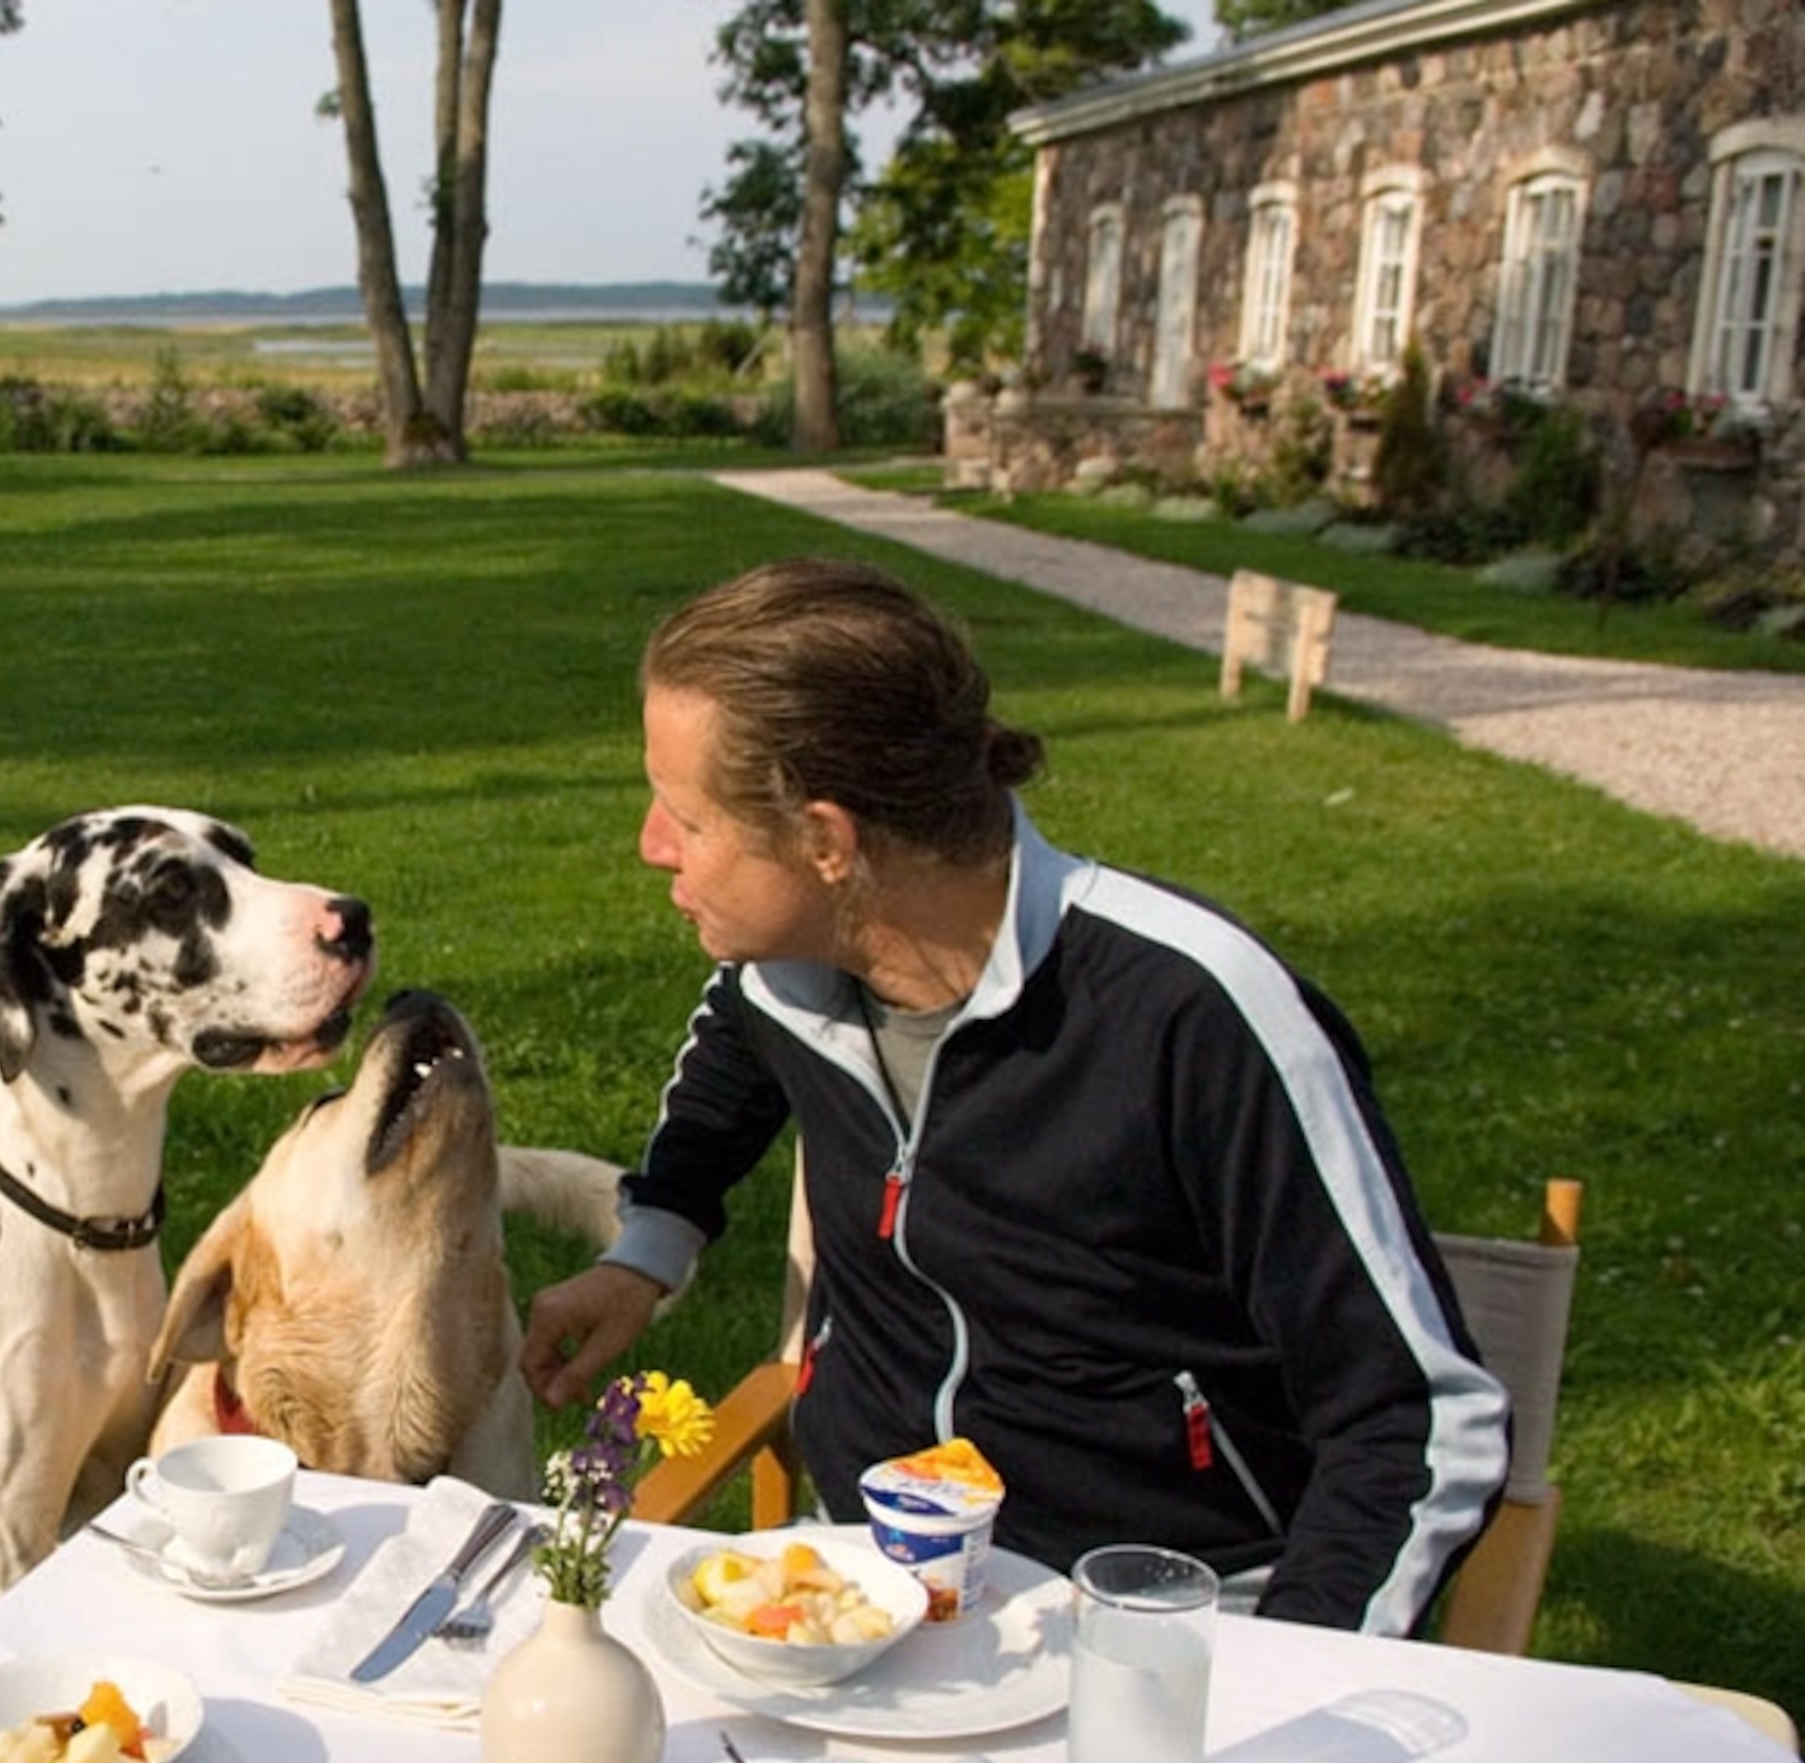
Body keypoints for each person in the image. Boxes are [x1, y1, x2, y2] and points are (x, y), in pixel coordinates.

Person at [519, 558, 1508, 1635]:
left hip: (1159, 1625)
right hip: (861, 1594)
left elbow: (1417, 1420)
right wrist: (645, 1253)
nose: (651, 846)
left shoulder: (1196, 1020)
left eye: (686, 817)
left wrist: (1285, 1682)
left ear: (827, 841)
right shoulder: (782, 974)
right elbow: (733, 1062)